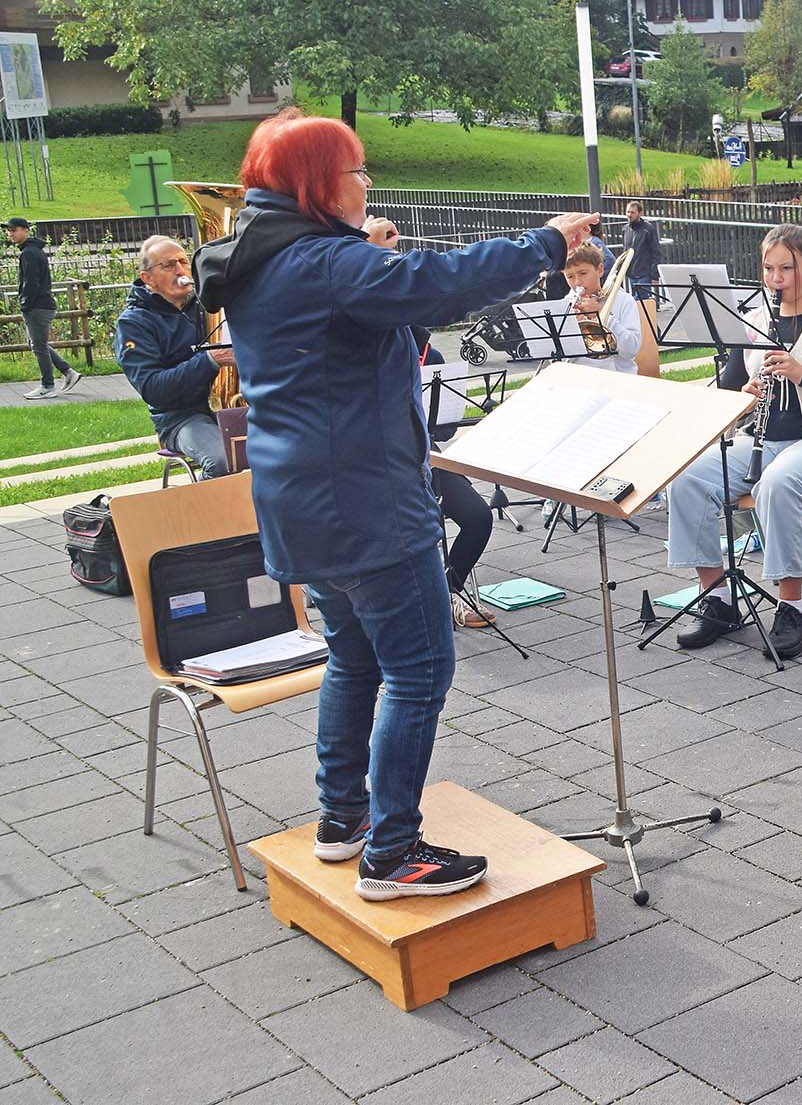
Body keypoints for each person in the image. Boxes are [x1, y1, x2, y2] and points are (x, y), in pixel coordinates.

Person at [192, 108, 597, 900]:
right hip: (366, 502)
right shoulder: (319, 260)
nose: (367, 184)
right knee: (419, 666)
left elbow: (386, 311)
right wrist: (546, 243)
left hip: (299, 498)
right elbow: (435, 285)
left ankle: (343, 820)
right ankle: (393, 854)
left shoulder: (259, 255)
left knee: (356, 654)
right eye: (359, 171)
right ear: (319, 183)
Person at [665, 224, 802, 661]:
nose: (776, 279)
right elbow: (728, 388)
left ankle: (791, 608)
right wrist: (742, 397)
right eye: (769, 268)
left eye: (787, 268)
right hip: (766, 439)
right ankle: (717, 599)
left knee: (776, 483)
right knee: (684, 477)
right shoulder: (755, 319)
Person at [114, 235, 232, 477]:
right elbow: (154, 389)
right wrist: (210, 360)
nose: (179, 269)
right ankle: (203, 512)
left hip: (234, 406)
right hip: (180, 417)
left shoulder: (206, 305)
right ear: (148, 278)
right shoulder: (134, 323)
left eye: (183, 261)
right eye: (168, 265)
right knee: (222, 460)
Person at [418, 333, 497, 629]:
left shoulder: (431, 356)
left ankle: (447, 591)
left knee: (478, 517)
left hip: (424, 452)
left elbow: (445, 431)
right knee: (420, 525)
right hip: (375, 464)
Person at [8, 217, 81, 400]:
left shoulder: (29, 253)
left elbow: (30, 282)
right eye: (8, 231)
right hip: (40, 304)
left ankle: (47, 385)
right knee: (36, 344)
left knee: (38, 346)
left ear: (25, 230)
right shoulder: (32, 250)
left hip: (37, 306)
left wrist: (25, 302)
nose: (10, 234)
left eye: (14, 230)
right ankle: (67, 372)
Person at [560, 243, 642, 376]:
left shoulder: (623, 301)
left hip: (618, 379)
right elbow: (558, 359)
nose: (577, 282)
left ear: (600, 270)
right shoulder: (565, 305)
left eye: (583, 273)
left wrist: (603, 316)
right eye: (570, 276)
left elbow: (631, 349)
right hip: (579, 380)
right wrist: (571, 328)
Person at [622, 200, 663, 296]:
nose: (629, 215)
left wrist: (654, 275)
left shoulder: (648, 230)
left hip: (644, 272)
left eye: (632, 212)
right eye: (628, 212)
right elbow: (625, 249)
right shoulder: (626, 229)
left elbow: (656, 252)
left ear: (640, 213)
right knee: (636, 302)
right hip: (631, 272)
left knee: (641, 301)